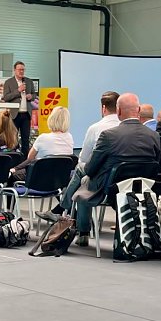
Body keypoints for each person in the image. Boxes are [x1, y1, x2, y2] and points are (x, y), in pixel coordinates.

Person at [71, 93, 160, 245]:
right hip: (142, 190)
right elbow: (156, 163)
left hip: (110, 190)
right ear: (138, 110)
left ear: (118, 111)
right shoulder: (154, 136)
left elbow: (91, 169)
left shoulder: (108, 135)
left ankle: (81, 231)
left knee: (84, 178)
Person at [35, 91, 123, 234]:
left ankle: (71, 218)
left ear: (103, 108)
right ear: (118, 108)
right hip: (123, 182)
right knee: (84, 179)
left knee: (83, 177)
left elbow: (84, 157)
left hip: (102, 183)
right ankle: (64, 212)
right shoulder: (124, 127)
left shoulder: (96, 128)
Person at [11, 106, 74, 181]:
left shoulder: (43, 138)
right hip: (59, 178)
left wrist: (15, 168)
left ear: (51, 119)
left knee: (13, 175)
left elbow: (30, 158)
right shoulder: (69, 137)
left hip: (40, 177)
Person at [1, 61, 36, 155]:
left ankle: (25, 160)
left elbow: (34, 95)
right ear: (14, 70)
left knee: (25, 138)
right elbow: (6, 97)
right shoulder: (9, 82)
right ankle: (14, 157)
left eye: (23, 70)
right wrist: (18, 91)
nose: (21, 71)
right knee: (13, 137)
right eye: (19, 69)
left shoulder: (29, 81)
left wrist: (31, 96)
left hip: (26, 114)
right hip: (14, 114)